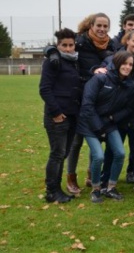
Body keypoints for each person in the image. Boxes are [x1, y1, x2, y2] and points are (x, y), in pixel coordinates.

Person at [76, 50, 134, 203]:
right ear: (117, 63)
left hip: (108, 123)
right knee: (98, 156)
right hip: (89, 123)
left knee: (120, 153)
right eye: (124, 63)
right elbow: (87, 105)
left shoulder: (130, 85)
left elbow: (130, 108)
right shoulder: (100, 78)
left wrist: (113, 118)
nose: (127, 67)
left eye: (130, 64)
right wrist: (98, 128)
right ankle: (96, 189)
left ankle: (110, 187)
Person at [97, 30, 134, 193]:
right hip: (116, 116)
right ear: (127, 41)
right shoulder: (113, 59)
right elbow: (101, 73)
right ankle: (104, 179)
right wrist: (96, 69)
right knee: (112, 150)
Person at [67, 13, 116, 194]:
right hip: (80, 98)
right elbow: (58, 46)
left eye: (105, 26)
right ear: (91, 26)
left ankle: (90, 174)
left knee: (96, 137)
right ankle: (70, 177)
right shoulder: (79, 42)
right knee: (76, 140)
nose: (102, 29)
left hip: (100, 99)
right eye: (99, 26)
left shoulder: (111, 45)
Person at [39, 28, 83, 203]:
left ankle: (57, 188)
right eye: (63, 45)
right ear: (57, 45)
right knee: (57, 153)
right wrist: (56, 113)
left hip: (72, 115)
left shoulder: (74, 61)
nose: (67, 48)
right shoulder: (52, 62)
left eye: (70, 45)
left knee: (63, 153)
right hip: (57, 117)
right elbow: (44, 89)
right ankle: (52, 191)